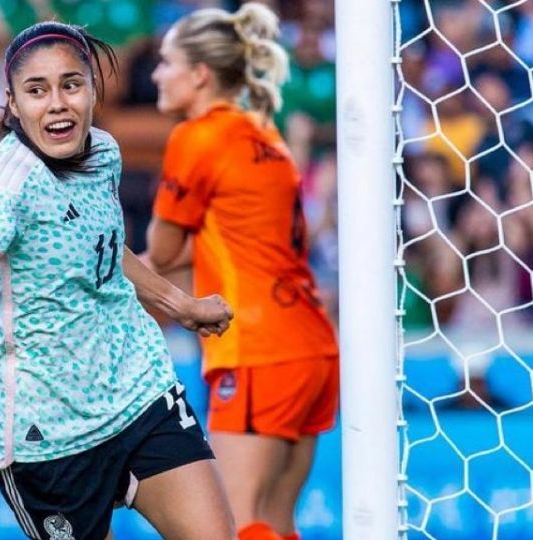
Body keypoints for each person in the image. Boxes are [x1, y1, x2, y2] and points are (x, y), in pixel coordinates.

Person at [0, 21, 237, 540]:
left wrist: (180, 304)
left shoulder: (103, 153)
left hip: (138, 389)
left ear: (92, 91)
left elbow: (101, 244)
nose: (57, 103)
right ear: (14, 103)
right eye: (37, 91)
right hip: (47, 434)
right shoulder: (2, 185)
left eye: (71, 84)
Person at [145, 5, 340, 540]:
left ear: (200, 74)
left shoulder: (198, 137)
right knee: (272, 521)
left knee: (229, 524)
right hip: (311, 346)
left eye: (166, 62)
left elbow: (160, 253)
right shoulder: (264, 135)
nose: (157, 74)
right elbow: (238, 241)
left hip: (256, 348)